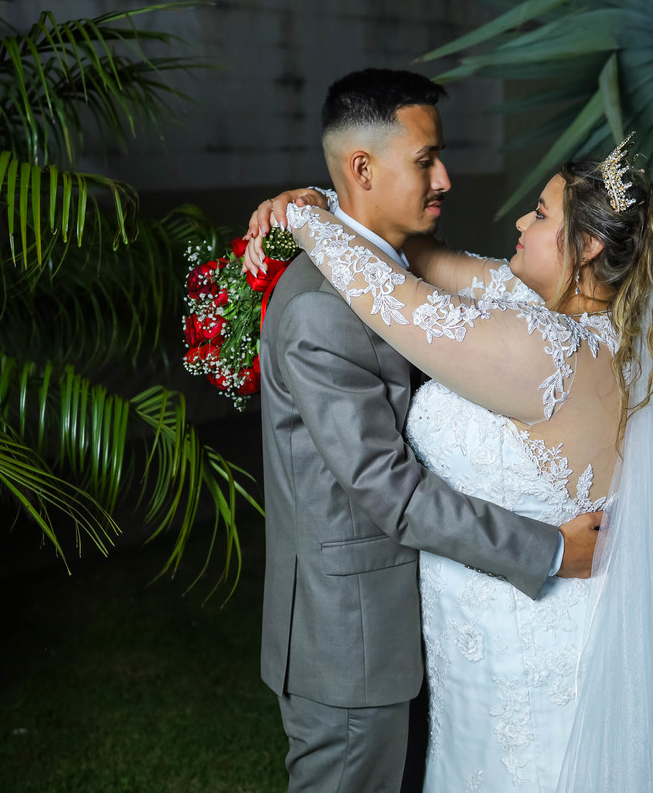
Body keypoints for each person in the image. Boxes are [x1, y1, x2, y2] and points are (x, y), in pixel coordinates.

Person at [251, 134, 653, 790]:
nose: (520, 221)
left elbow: (386, 291)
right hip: (536, 626)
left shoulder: (543, 351)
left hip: (526, 643)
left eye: (540, 214)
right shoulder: (618, 331)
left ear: (588, 246)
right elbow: (427, 259)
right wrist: (333, 203)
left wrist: (304, 214)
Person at [245, 68, 602, 793]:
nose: (445, 179)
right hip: (351, 638)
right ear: (362, 169)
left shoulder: (395, 275)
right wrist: (547, 550)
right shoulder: (320, 307)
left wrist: (310, 206)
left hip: (423, 622)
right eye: (425, 160)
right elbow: (389, 489)